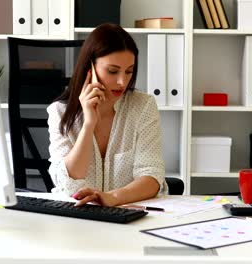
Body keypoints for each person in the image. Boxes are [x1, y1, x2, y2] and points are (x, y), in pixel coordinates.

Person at [47, 23, 166, 207]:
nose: (122, 82)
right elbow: (68, 183)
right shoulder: (59, 112)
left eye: (129, 71)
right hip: (75, 217)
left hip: (125, 214)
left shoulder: (143, 106)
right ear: (90, 69)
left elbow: (152, 176)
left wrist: (113, 197)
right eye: (112, 71)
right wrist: (88, 124)